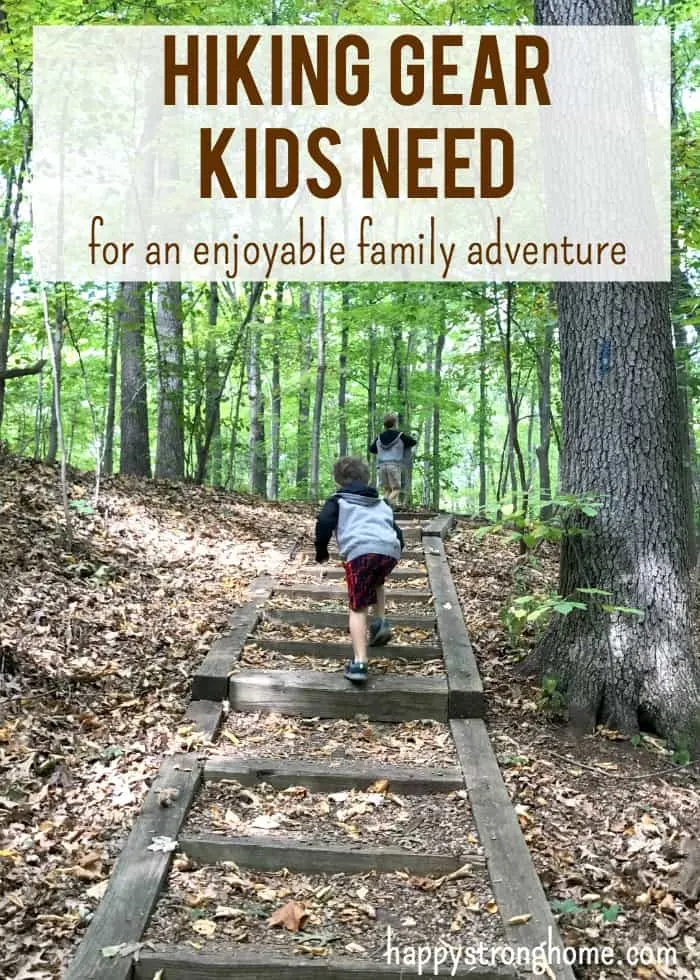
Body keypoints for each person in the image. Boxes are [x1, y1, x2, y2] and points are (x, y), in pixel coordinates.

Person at [315, 456, 404, 683]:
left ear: (338, 480)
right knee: (377, 580)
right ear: (366, 478)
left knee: (358, 607)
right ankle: (380, 621)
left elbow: (324, 523)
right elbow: (396, 530)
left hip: (360, 553)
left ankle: (360, 662)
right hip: (389, 551)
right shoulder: (382, 502)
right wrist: (396, 549)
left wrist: (321, 550)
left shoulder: (338, 500)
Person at [369, 414, 417, 507]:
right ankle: (384, 504)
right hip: (394, 465)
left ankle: (386, 509)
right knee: (396, 489)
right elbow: (413, 442)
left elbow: (372, 449)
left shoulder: (379, 437)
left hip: (382, 466)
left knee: (387, 490)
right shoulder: (400, 436)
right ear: (395, 423)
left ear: (384, 425)